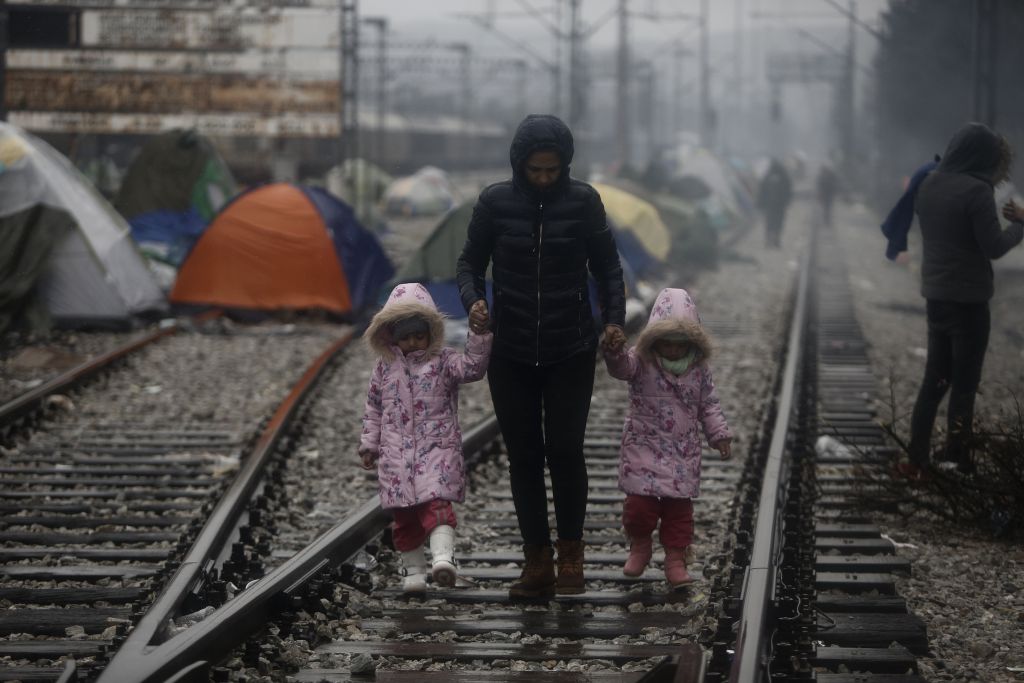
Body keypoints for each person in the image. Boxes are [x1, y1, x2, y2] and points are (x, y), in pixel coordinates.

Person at [456, 114, 627, 598]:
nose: (545, 178)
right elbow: (469, 261)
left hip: (570, 347)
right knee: (525, 457)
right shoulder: (494, 202)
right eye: (536, 170)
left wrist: (613, 319)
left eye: (553, 170)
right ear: (520, 165)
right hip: (509, 351)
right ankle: (537, 563)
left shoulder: (584, 201)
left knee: (566, 451)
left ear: (565, 165)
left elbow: (608, 268)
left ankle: (572, 558)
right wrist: (473, 301)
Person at [904, 123, 1023, 477]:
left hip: (936, 298)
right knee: (965, 383)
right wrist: (1021, 225)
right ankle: (957, 458)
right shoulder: (977, 191)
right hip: (968, 303)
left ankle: (917, 458)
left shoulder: (928, 184)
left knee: (934, 380)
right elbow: (994, 247)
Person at [358, 282, 493, 594]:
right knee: (404, 519)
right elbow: (374, 408)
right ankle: (414, 573)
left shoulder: (444, 361)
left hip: (437, 451)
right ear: (391, 336)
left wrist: (480, 336)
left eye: (419, 335)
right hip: (395, 459)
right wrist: (369, 445)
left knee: (437, 506)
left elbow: (473, 368)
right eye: (405, 337)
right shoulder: (384, 369)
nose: (413, 342)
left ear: (431, 332)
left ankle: (443, 559)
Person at [602, 287, 732, 587]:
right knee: (638, 509)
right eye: (666, 343)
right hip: (643, 446)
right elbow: (621, 368)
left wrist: (719, 434)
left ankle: (675, 559)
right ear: (654, 340)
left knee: (679, 514)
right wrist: (613, 350)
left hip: (682, 452)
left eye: (680, 344)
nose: (673, 350)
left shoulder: (699, 370)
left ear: (692, 342)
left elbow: (708, 404)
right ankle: (640, 545)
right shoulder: (640, 361)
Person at [757, 159, 793, 248]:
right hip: (779, 206)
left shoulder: (767, 176)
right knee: (778, 223)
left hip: (770, 205)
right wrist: (787, 201)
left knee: (769, 223)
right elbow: (788, 191)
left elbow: (762, 191)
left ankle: (769, 241)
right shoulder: (784, 176)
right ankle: (776, 241)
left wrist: (760, 203)